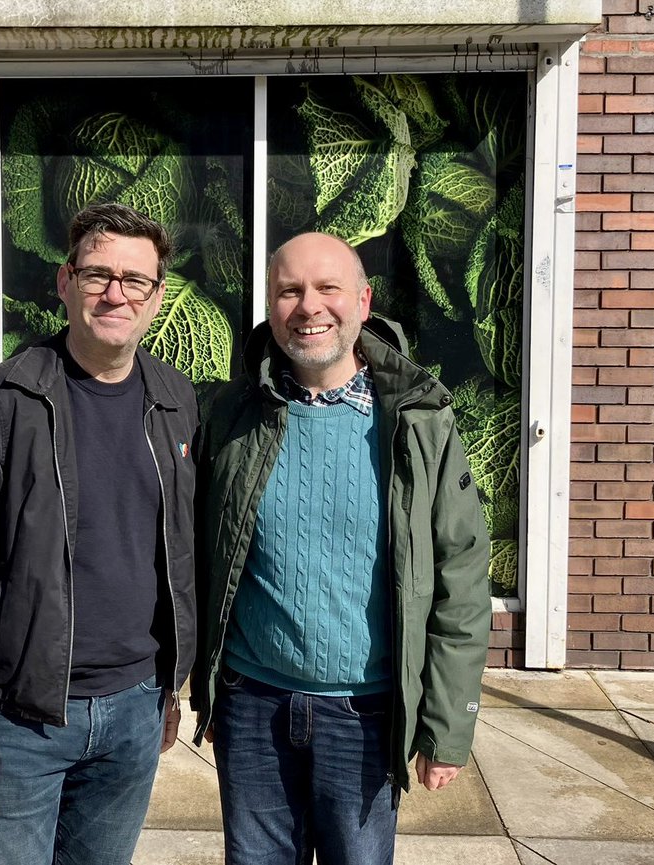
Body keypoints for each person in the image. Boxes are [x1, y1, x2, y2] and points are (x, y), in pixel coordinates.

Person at [191, 231, 491, 864]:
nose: (309, 306)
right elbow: (203, 560)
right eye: (289, 290)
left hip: (365, 713)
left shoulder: (416, 422)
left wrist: (447, 725)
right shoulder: (231, 415)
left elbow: (459, 578)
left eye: (327, 288)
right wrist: (207, 688)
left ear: (363, 299)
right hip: (252, 708)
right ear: (270, 306)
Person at [0, 203, 198, 865]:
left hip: (134, 711)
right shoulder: (0, 399)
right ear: (66, 282)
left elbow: (179, 554)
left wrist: (171, 689)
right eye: (98, 273)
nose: (115, 293)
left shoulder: (176, 398)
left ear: (157, 297)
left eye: (136, 279)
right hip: (20, 718)